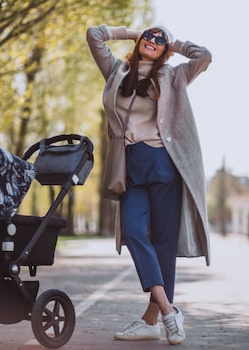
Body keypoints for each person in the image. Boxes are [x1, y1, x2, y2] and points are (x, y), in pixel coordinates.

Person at [86, 24, 212, 345]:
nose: (153, 41)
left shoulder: (173, 76)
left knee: (164, 244)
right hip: (130, 166)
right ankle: (170, 312)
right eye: (149, 36)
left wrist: (176, 44)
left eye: (160, 39)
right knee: (132, 231)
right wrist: (129, 32)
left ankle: (152, 319)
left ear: (166, 48)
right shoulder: (117, 71)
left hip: (163, 163)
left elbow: (204, 56)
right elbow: (94, 35)